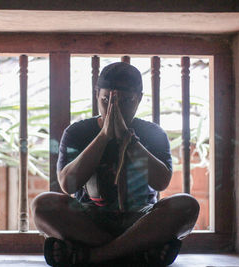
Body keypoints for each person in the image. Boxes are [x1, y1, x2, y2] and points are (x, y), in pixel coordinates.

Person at [32, 62, 200, 266]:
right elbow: (68, 185)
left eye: (126, 101)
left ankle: (94, 255)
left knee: (187, 205)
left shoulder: (153, 133)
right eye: (106, 100)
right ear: (97, 95)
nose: (115, 108)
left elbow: (161, 182)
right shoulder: (77, 132)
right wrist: (103, 137)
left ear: (139, 99)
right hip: (89, 219)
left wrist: (129, 140)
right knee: (42, 205)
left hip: (140, 220)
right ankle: (135, 252)